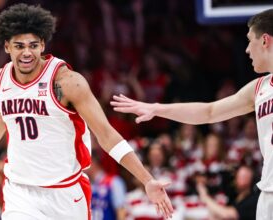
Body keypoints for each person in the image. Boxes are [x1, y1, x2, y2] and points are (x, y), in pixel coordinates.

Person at [0, 3, 173, 220]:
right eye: (19, 46)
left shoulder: (68, 83)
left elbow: (106, 134)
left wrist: (146, 179)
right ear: (7, 47)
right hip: (20, 191)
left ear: (42, 44)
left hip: (66, 192)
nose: (26, 52)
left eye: (32, 45)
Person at [111, 8, 273, 220]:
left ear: (265, 41)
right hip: (268, 193)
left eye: (249, 41)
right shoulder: (259, 87)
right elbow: (209, 111)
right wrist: (157, 109)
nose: (246, 50)